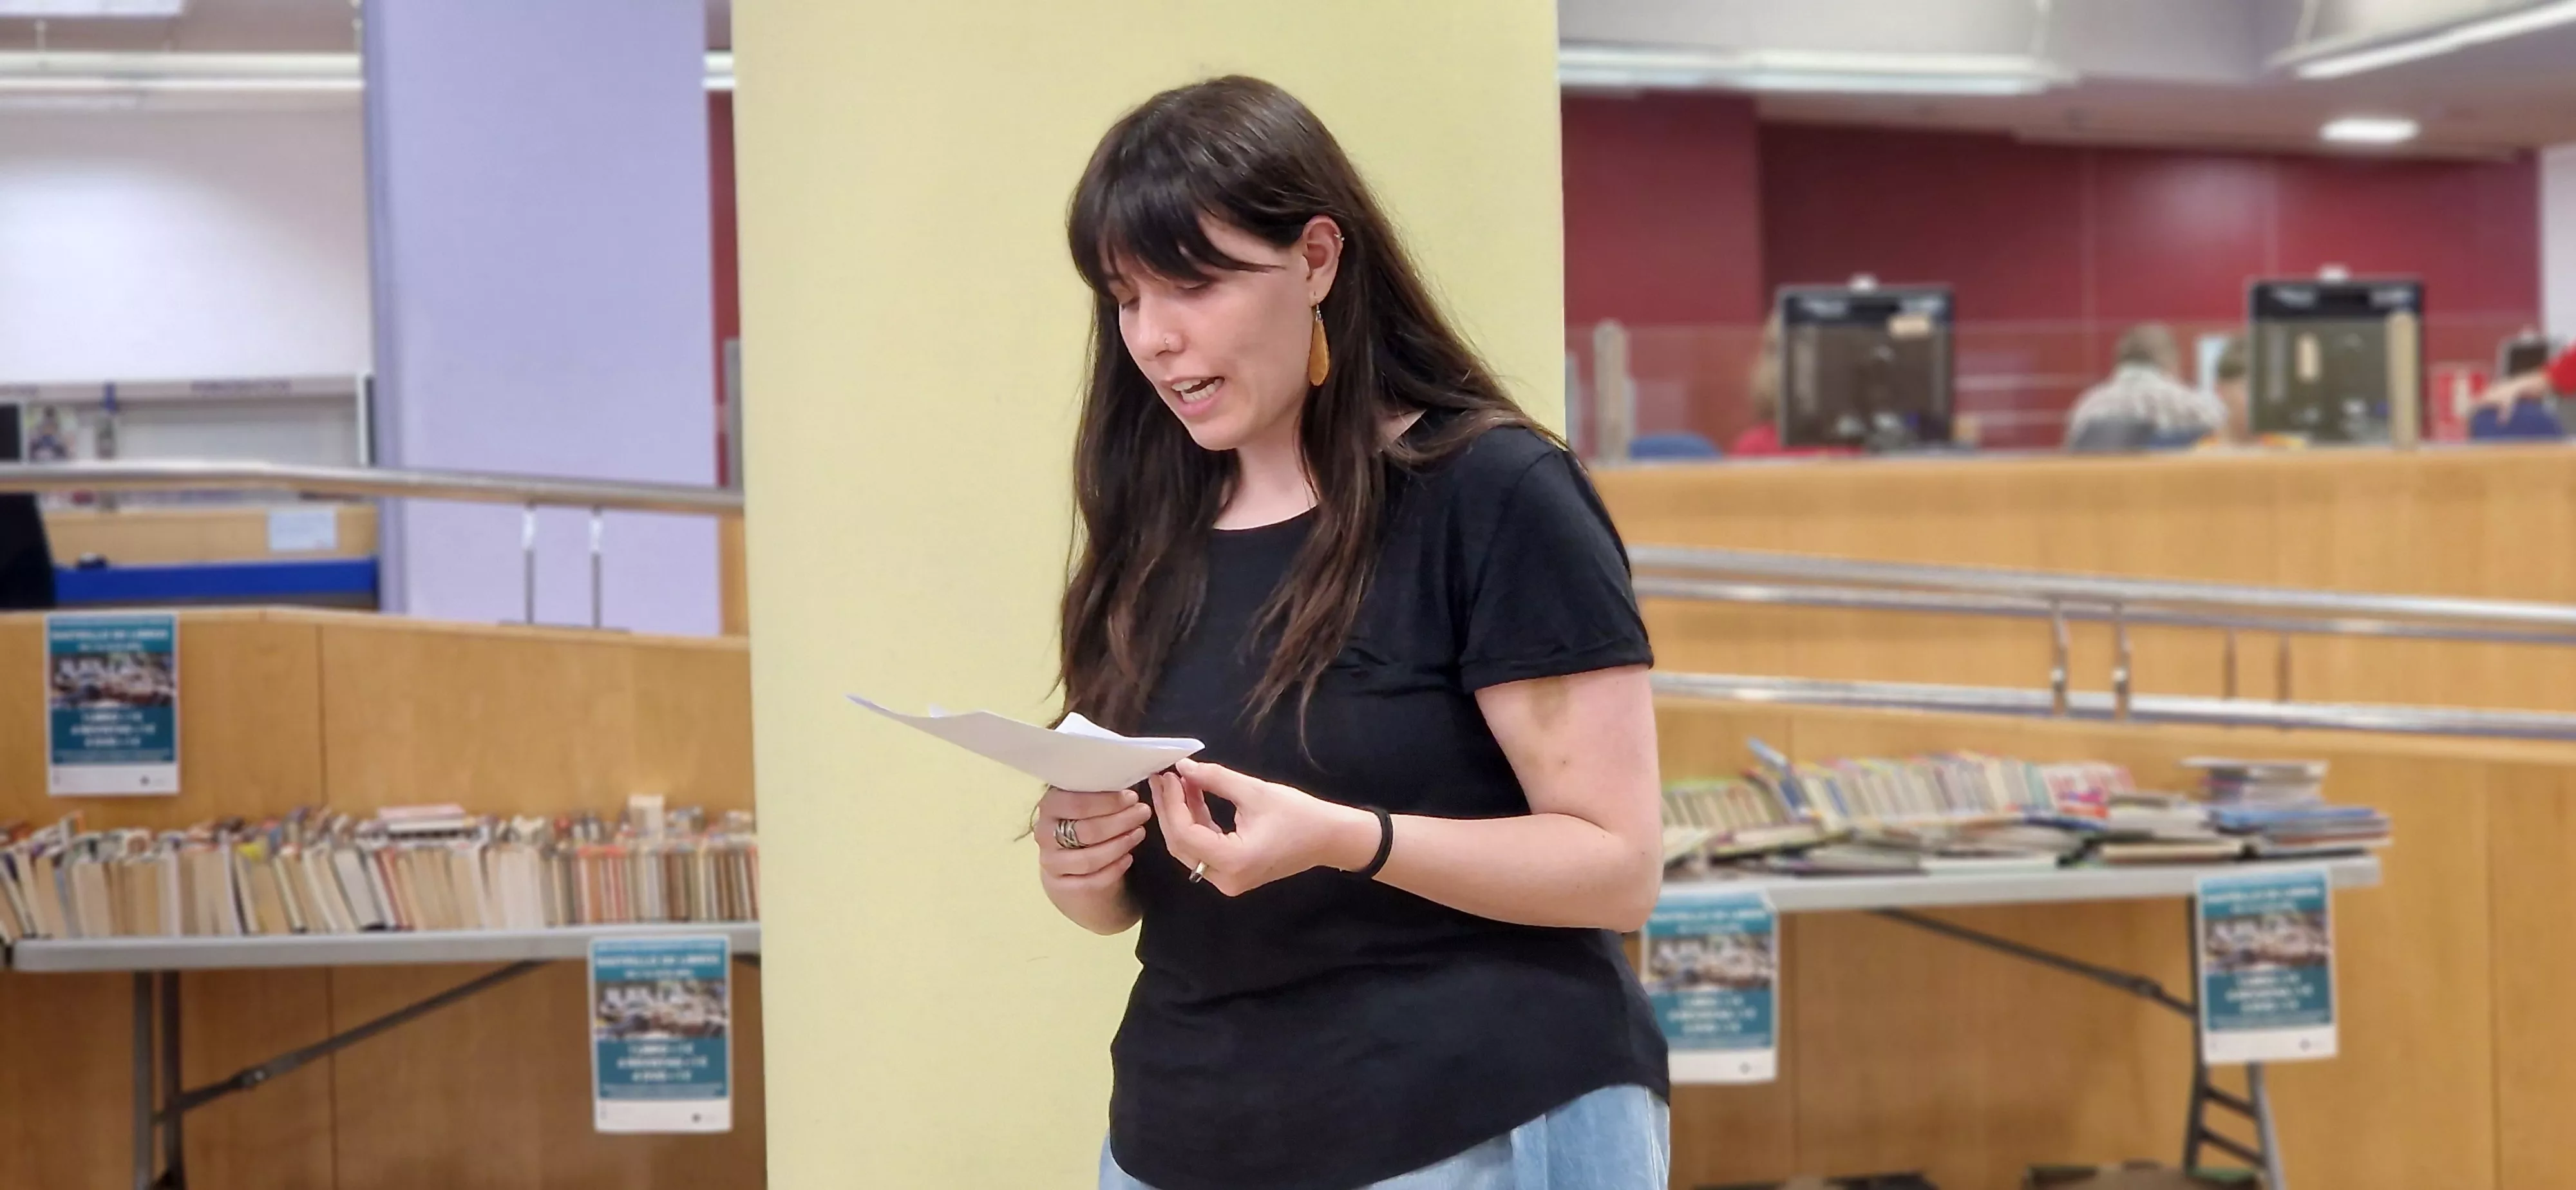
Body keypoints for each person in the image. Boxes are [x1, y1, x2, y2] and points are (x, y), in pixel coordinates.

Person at [1034, 77, 1669, 1190]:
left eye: (1191, 282)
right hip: (1181, 1127)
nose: (1155, 337)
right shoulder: (1154, 522)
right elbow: (1134, 901)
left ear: (1317, 260)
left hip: (1465, 1118)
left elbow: (1616, 865)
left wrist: (1349, 836)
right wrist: (1082, 862)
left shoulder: (1495, 492)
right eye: (1125, 297)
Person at [2062, 323, 2227, 450]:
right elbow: (2227, 445)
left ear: (2118, 361)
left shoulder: (2087, 406)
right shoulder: (2193, 405)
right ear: (2172, 361)